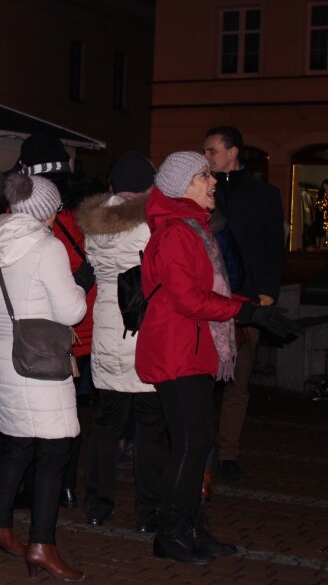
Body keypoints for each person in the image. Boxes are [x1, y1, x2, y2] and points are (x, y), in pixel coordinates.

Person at [136, 151, 296, 565]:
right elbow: (187, 298)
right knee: (189, 445)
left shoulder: (193, 228)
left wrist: (249, 305)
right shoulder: (175, 232)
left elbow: (212, 292)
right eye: (204, 175)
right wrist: (245, 312)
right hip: (176, 349)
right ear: (182, 185)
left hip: (192, 347)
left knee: (197, 443)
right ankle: (169, 534)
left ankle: (191, 527)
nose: (213, 182)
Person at [0, 172, 87, 581]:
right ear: (45, 210)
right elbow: (71, 312)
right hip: (38, 358)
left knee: (18, 446)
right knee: (54, 452)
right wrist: (79, 287)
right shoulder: (47, 247)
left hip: (4, 353)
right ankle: (42, 545)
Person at [76, 152, 166, 532]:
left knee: (107, 422)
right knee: (150, 425)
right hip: (146, 327)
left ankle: (97, 504)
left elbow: (87, 274)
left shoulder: (95, 224)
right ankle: (149, 513)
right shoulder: (152, 221)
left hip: (109, 328)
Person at [17, 131, 99, 508]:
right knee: (72, 411)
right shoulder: (92, 210)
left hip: (48, 326)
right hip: (87, 325)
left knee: (39, 412)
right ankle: (67, 484)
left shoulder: (32, 215)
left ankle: (42, 484)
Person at [203, 125, 285, 484]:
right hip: (208, 299)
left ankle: (228, 455)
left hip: (247, 300)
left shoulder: (265, 194)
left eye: (212, 151)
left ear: (233, 152)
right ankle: (200, 452)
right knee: (203, 381)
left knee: (239, 383)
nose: (206, 157)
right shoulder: (203, 188)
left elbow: (272, 246)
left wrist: (267, 292)